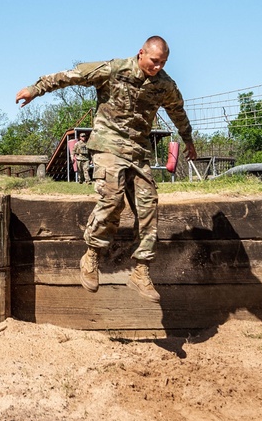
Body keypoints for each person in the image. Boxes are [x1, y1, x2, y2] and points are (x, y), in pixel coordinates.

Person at [15, 36, 196, 302]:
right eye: (154, 61)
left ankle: (141, 271)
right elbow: (71, 76)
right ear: (141, 53)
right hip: (108, 145)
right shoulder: (114, 70)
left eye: (163, 63)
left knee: (149, 206)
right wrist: (35, 88)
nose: (157, 67)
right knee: (112, 199)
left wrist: (188, 139)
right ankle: (91, 257)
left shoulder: (165, 85)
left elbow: (177, 111)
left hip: (138, 151)